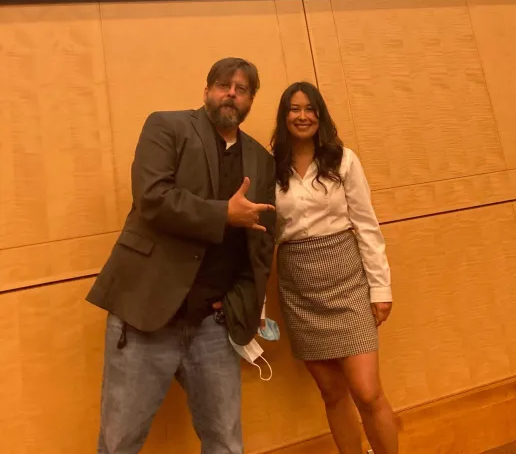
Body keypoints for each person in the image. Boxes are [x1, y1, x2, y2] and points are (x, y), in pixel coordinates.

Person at [87, 57, 276, 454]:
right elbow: (152, 199)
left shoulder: (261, 160)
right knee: (119, 442)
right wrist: (223, 213)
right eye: (224, 85)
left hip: (212, 325)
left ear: (251, 101)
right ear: (207, 90)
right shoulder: (166, 126)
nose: (231, 94)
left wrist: (238, 304)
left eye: (242, 90)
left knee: (225, 443)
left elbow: (261, 243)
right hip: (145, 318)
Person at [272, 82, 397, 454]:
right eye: (294, 109)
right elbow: (266, 234)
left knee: (367, 391)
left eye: (310, 109)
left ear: (320, 115)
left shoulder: (344, 160)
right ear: (284, 117)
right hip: (298, 288)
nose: (302, 116)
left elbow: (366, 225)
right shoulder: (268, 165)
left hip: (348, 283)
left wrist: (381, 288)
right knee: (332, 394)